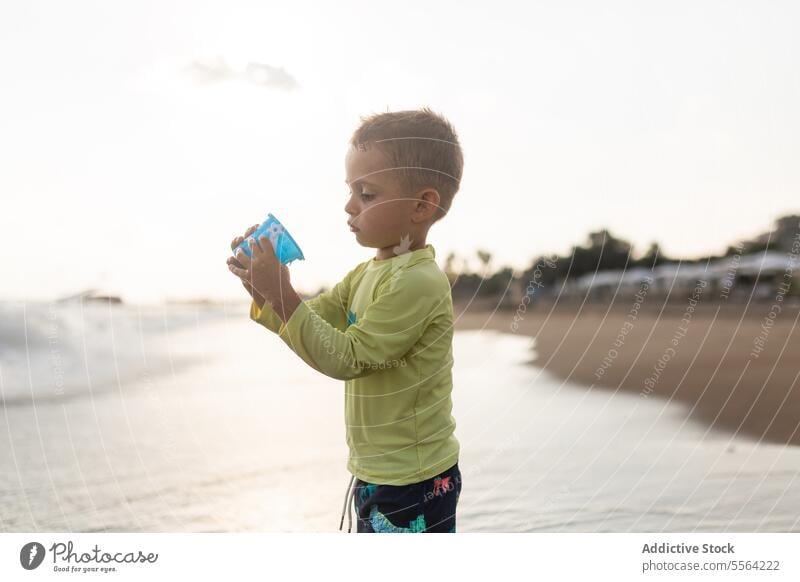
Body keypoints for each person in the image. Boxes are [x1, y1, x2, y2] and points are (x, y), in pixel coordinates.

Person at [226, 107, 463, 533]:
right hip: (376, 471)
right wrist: (265, 292)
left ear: (422, 205)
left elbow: (347, 357)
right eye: (351, 191)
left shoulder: (419, 282)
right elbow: (313, 322)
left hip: (416, 480)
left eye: (367, 194)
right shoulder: (366, 273)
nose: (349, 206)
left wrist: (281, 293)